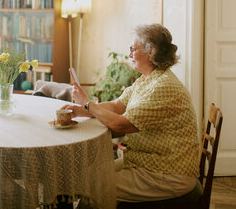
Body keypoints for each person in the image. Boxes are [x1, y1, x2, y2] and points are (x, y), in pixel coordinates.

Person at [61, 24, 200, 203]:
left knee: (88, 186)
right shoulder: (148, 79)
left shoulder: (164, 87)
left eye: (133, 49)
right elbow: (117, 105)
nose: (129, 54)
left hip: (167, 174)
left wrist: (87, 104)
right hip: (145, 162)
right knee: (83, 178)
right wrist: (82, 110)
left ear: (151, 52)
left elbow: (121, 124)